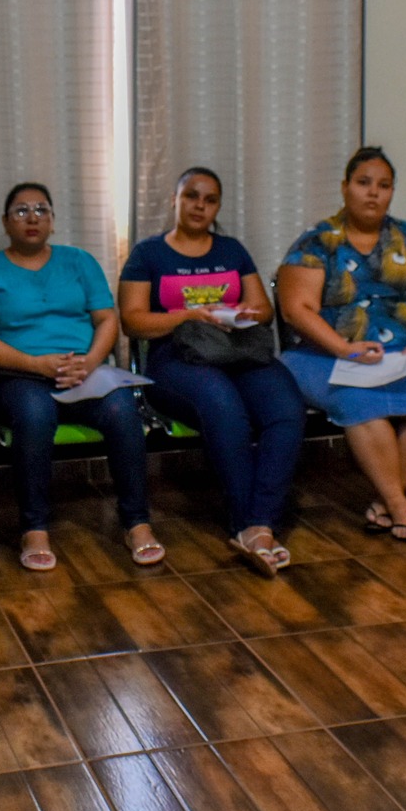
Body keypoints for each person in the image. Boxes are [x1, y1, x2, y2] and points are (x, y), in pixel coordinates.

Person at [119, 167, 304, 574]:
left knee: (287, 409)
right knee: (224, 407)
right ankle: (245, 524)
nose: (200, 206)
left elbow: (265, 310)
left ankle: (261, 523)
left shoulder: (232, 250)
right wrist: (188, 315)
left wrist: (246, 312)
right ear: (175, 200)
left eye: (209, 199)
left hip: (237, 351)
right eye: (191, 196)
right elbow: (132, 321)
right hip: (176, 360)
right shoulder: (148, 254)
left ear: (217, 206)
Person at [0, 182, 159, 572]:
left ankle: (137, 522)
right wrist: (36, 365)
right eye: (21, 211)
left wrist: (89, 361)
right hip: (19, 376)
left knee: (124, 410)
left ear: (53, 222)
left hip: (84, 372)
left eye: (42, 210)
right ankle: (34, 529)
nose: (32, 217)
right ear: (6, 223)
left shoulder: (79, 262)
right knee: (36, 415)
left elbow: (107, 319)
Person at [277, 147, 406, 543]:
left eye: (384, 186)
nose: (373, 193)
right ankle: (398, 507)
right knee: (363, 405)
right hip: (325, 353)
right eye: (363, 183)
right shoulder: (317, 242)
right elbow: (296, 309)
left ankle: (383, 503)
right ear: (345, 187)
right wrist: (344, 350)